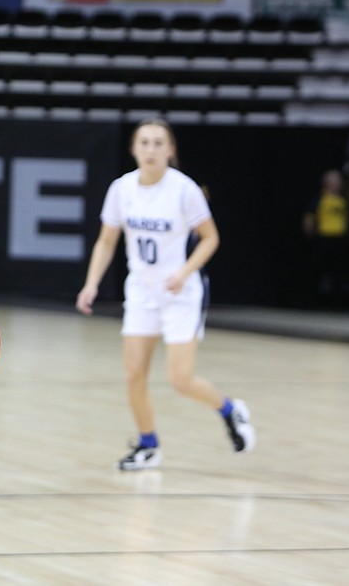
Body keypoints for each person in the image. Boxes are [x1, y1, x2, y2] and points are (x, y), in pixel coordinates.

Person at [75, 118, 255, 471]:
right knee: (133, 375)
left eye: (159, 143)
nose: (151, 149)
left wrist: (184, 272)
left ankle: (230, 410)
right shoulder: (121, 189)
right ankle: (148, 445)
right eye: (144, 142)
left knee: (180, 379)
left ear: (171, 150)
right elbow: (107, 240)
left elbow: (211, 238)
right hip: (141, 290)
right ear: (133, 149)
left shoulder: (184, 190)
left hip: (180, 292)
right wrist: (91, 283)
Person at [302, 168, 349, 306]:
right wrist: (311, 235)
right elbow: (309, 218)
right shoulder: (320, 198)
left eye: (339, 181)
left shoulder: (342, 200)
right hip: (323, 239)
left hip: (339, 239)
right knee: (317, 270)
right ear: (326, 182)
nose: (337, 184)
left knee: (338, 272)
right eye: (334, 181)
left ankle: (337, 303)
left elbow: (347, 217)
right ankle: (311, 301)